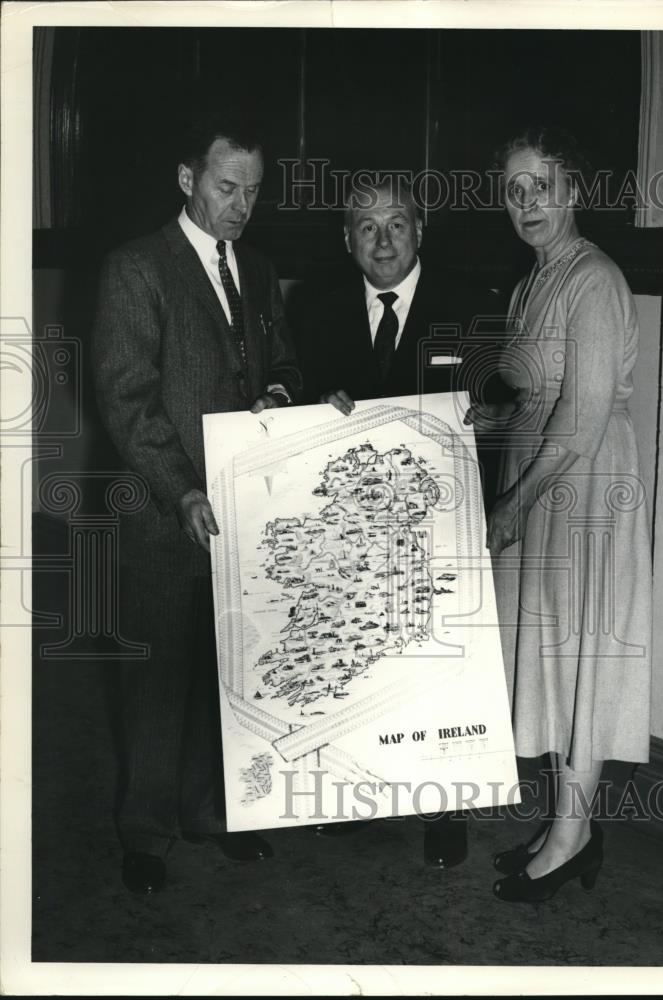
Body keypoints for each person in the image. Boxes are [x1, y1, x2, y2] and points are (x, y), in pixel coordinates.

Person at [92, 110, 302, 894]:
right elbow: (126, 398)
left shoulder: (258, 267)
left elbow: (281, 362)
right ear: (188, 180)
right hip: (159, 511)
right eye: (225, 187)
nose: (241, 205)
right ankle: (144, 833)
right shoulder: (135, 267)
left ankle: (208, 815)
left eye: (253, 190)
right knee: (156, 677)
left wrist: (280, 389)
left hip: (241, 518)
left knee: (225, 675)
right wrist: (181, 488)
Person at [465, 125, 652, 902]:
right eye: (513, 190)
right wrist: (485, 418)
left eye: (541, 185)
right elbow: (535, 395)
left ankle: (573, 839)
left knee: (581, 658)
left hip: (581, 487)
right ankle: (561, 823)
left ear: (572, 190)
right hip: (540, 476)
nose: (527, 202)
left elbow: (578, 418)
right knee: (545, 652)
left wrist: (512, 499)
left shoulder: (595, 279)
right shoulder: (531, 281)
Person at [296, 176, 497, 867]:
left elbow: (507, 401)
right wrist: (314, 400)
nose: (383, 241)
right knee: (359, 658)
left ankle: (444, 808)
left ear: (421, 230)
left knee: (438, 666)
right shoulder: (316, 304)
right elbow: (293, 393)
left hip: (441, 523)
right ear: (345, 237)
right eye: (366, 227)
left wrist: (485, 413)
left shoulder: (472, 303)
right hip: (353, 525)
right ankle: (362, 792)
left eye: (397, 225)